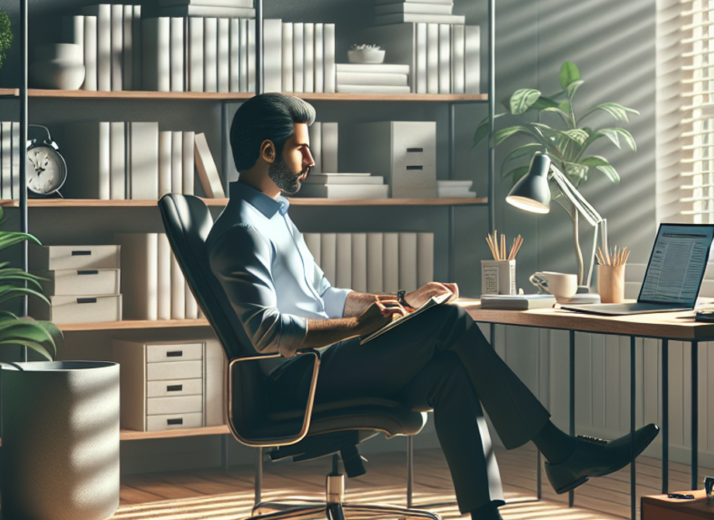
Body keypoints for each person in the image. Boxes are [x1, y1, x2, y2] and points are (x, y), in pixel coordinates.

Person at [207, 93, 659, 520]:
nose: (311, 160)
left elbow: (325, 296)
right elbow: (267, 334)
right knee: (451, 320)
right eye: (301, 149)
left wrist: (403, 300)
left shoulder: (276, 217)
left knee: (450, 372)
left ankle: (489, 512)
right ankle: (562, 452)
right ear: (268, 151)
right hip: (297, 382)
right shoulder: (241, 231)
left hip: (322, 366)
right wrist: (357, 328)